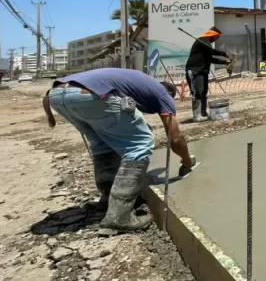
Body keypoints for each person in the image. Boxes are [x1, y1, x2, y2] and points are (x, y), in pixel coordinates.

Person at [42, 68, 195, 231]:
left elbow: (46, 96)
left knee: (102, 143)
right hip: (93, 95)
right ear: (170, 94)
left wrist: (50, 117)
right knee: (140, 143)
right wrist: (186, 161)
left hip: (56, 95)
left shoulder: (138, 84)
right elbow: (175, 137)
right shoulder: (163, 94)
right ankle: (120, 215)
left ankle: (108, 200)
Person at [185, 26, 231, 121]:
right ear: (213, 35)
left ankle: (203, 113)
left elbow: (210, 58)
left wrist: (225, 62)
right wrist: (223, 53)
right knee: (198, 92)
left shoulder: (206, 43)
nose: (216, 40)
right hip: (195, 71)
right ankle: (197, 116)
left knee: (203, 92)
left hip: (202, 71)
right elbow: (211, 51)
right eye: (217, 37)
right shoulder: (202, 41)